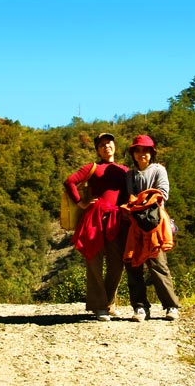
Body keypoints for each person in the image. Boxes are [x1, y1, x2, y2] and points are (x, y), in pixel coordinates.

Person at [63, 132, 129, 321]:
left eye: (109, 143)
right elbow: (70, 181)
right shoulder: (93, 167)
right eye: (102, 144)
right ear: (98, 150)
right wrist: (80, 203)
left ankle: (109, 303)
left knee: (117, 264)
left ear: (115, 146)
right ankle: (99, 306)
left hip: (116, 220)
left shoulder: (124, 170)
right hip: (95, 219)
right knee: (94, 262)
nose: (106, 146)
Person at [123, 134, 180, 322]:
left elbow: (162, 193)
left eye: (145, 150)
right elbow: (130, 196)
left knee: (158, 264)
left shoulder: (159, 170)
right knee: (133, 264)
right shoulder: (130, 175)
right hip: (135, 224)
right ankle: (140, 307)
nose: (142, 154)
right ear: (133, 154)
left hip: (155, 224)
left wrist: (139, 201)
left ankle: (171, 306)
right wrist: (140, 201)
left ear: (151, 153)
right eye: (138, 150)